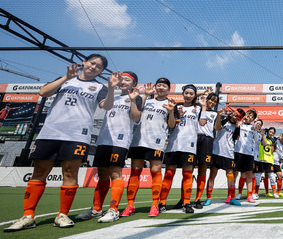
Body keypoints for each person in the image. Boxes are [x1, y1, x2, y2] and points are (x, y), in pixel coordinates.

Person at [5, 54, 118, 232]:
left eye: (99, 67)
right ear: (84, 63)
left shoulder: (99, 87)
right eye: (92, 63)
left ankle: (62, 214)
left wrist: (111, 88)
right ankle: (28, 216)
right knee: (39, 173)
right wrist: (66, 77)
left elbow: (108, 106)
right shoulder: (65, 80)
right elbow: (43, 92)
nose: (94, 67)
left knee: (70, 173)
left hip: (77, 136)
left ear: (102, 71)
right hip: (50, 133)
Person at [75, 71, 142, 223]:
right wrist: (111, 88)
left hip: (119, 142)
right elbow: (105, 107)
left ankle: (113, 210)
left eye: (127, 80)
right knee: (102, 175)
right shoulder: (112, 96)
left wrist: (132, 101)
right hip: (103, 140)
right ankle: (97, 209)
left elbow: (135, 117)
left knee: (115, 174)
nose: (123, 82)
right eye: (121, 79)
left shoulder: (136, 98)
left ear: (134, 84)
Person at [121, 77, 175, 218]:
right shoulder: (146, 100)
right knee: (135, 172)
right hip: (139, 140)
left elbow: (171, 125)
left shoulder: (171, 104)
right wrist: (145, 95)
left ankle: (155, 205)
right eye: (159, 85)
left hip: (156, 142)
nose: (161, 87)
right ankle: (130, 205)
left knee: (155, 171)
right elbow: (136, 115)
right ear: (155, 87)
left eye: (164, 86)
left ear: (169, 89)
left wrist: (170, 112)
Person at [158, 84, 200, 214]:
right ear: (183, 94)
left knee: (187, 174)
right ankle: (162, 203)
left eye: (191, 94)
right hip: (174, 144)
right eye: (186, 93)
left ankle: (186, 203)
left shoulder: (198, 108)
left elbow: (203, 123)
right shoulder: (176, 107)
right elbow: (170, 126)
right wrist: (176, 116)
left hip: (189, 145)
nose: (188, 95)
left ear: (194, 96)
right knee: (169, 174)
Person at [207, 107, 245, 206]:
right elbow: (217, 127)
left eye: (238, 117)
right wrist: (221, 115)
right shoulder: (224, 119)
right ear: (233, 113)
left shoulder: (237, 126)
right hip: (216, 151)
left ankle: (232, 197)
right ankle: (208, 198)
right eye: (235, 115)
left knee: (230, 176)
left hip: (229, 153)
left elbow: (235, 138)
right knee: (212, 175)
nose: (235, 117)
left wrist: (237, 127)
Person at [194, 90, 218, 208]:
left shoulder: (215, 114)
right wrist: (202, 93)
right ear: (206, 99)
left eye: (215, 101)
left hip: (207, 141)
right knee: (187, 169)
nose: (212, 102)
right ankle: (184, 199)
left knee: (202, 170)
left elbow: (218, 127)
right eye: (211, 99)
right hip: (193, 138)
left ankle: (198, 199)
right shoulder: (197, 108)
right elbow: (191, 97)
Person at [233, 109, 259, 203]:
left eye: (251, 116)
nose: (249, 117)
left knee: (248, 175)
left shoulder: (253, 127)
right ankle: (231, 195)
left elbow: (256, 140)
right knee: (234, 174)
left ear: (253, 119)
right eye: (248, 115)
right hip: (238, 151)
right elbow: (234, 135)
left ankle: (249, 195)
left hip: (249, 154)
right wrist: (238, 125)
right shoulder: (239, 124)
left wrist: (256, 130)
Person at [260, 126, 278, 198]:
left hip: (269, 160)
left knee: (272, 177)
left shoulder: (273, 141)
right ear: (268, 132)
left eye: (273, 133)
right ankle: (261, 192)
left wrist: (273, 144)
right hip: (261, 159)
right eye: (270, 132)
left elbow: (272, 151)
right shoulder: (262, 137)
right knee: (258, 176)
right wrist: (263, 135)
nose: (271, 133)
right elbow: (262, 144)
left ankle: (274, 193)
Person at [272, 132, 283, 197]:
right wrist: (277, 137)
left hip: (277, 163)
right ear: (282, 136)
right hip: (270, 161)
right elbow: (271, 140)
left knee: (280, 176)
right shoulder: (276, 140)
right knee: (268, 176)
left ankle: (278, 192)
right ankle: (267, 192)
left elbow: (282, 156)